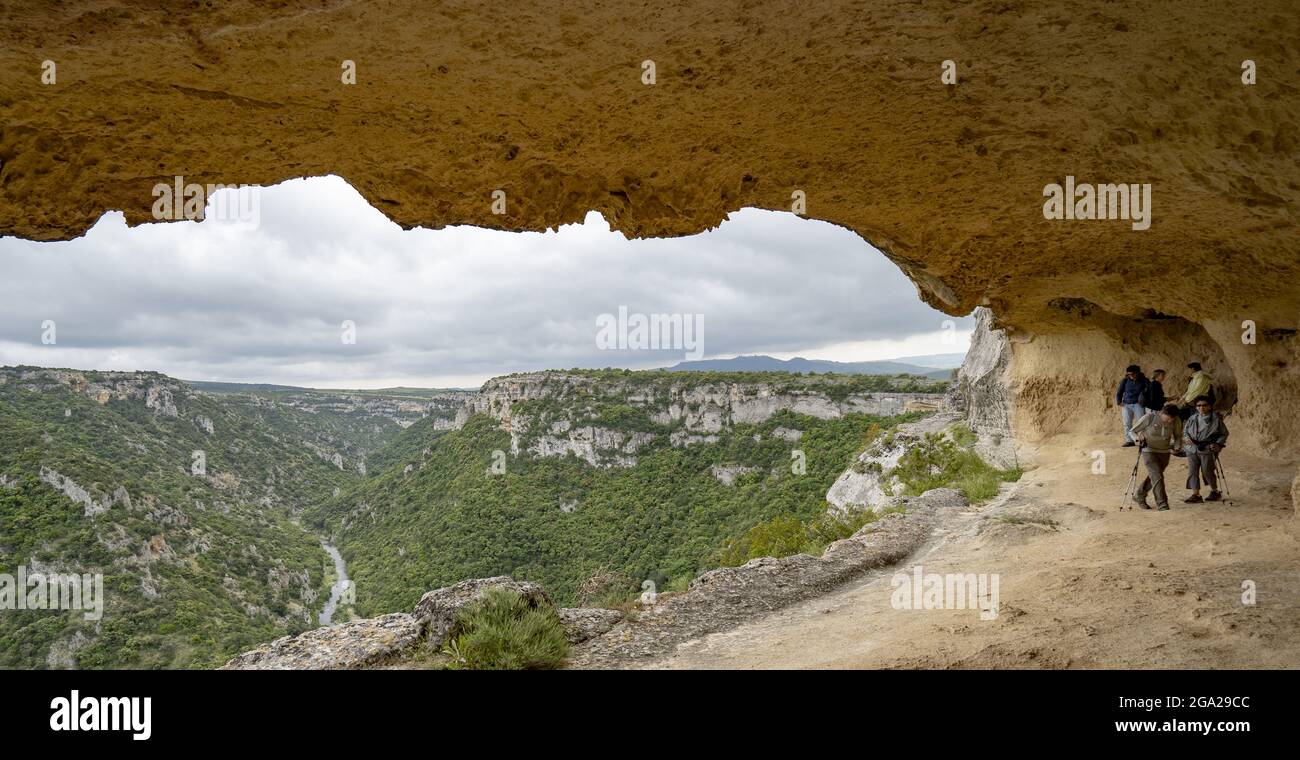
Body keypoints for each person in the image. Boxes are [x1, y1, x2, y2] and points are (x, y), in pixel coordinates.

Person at [1130, 403, 1183, 511]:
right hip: (1149, 451)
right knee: (1157, 476)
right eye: (1168, 419)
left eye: (1172, 419)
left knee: (1155, 476)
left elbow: (1178, 436)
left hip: (1165, 452)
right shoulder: (1149, 417)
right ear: (1162, 413)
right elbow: (1132, 431)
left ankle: (1139, 495)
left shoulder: (1176, 420)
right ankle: (1162, 505)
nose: (1170, 421)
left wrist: (1177, 447)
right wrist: (1137, 438)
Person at [1182, 395, 1228, 503]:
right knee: (1192, 471)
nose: (1201, 407)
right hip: (1192, 448)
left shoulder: (1216, 419)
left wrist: (1218, 444)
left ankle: (1214, 491)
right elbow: (1186, 431)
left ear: (1210, 406)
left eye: (1204, 405)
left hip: (1207, 448)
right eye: (1198, 405)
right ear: (1196, 407)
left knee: (1207, 471)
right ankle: (1196, 494)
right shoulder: (1193, 418)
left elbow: (1224, 433)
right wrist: (1186, 438)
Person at [1114, 364, 1150, 447]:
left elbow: (1150, 391)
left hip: (1138, 404)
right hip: (1126, 404)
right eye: (1129, 374)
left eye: (1133, 374)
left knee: (1141, 423)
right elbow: (1119, 392)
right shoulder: (1125, 381)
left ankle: (1142, 440)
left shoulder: (1144, 380)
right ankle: (1129, 440)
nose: (1131, 376)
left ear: (1138, 373)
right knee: (1127, 423)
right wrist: (1119, 402)